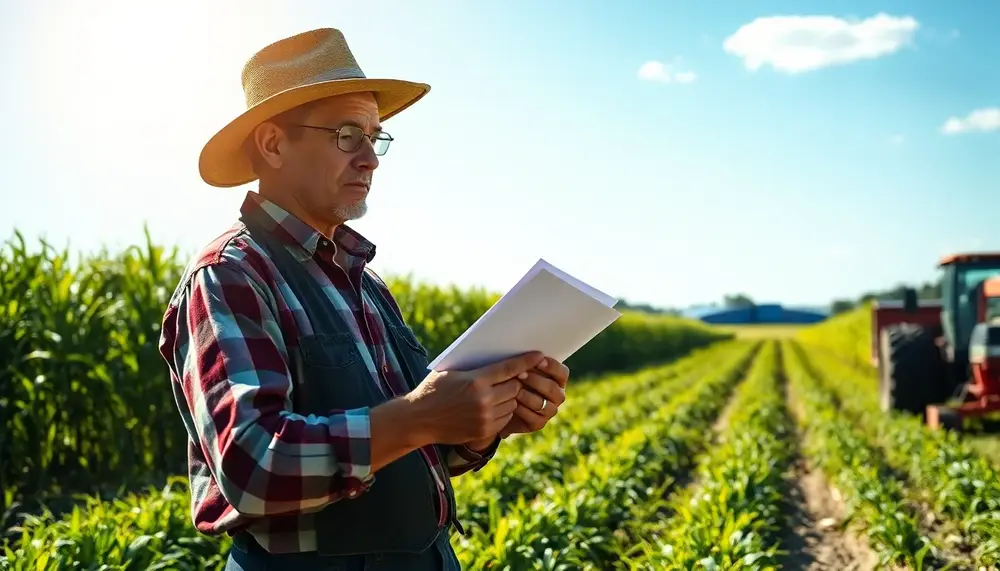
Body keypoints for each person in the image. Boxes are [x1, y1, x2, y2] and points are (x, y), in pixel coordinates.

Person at [157, 27, 570, 571]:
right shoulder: (232, 274)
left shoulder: (365, 284)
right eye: (347, 134)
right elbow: (253, 467)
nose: (371, 158)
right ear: (274, 144)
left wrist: (483, 421)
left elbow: (411, 445)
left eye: (376, 137)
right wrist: (419, 418)